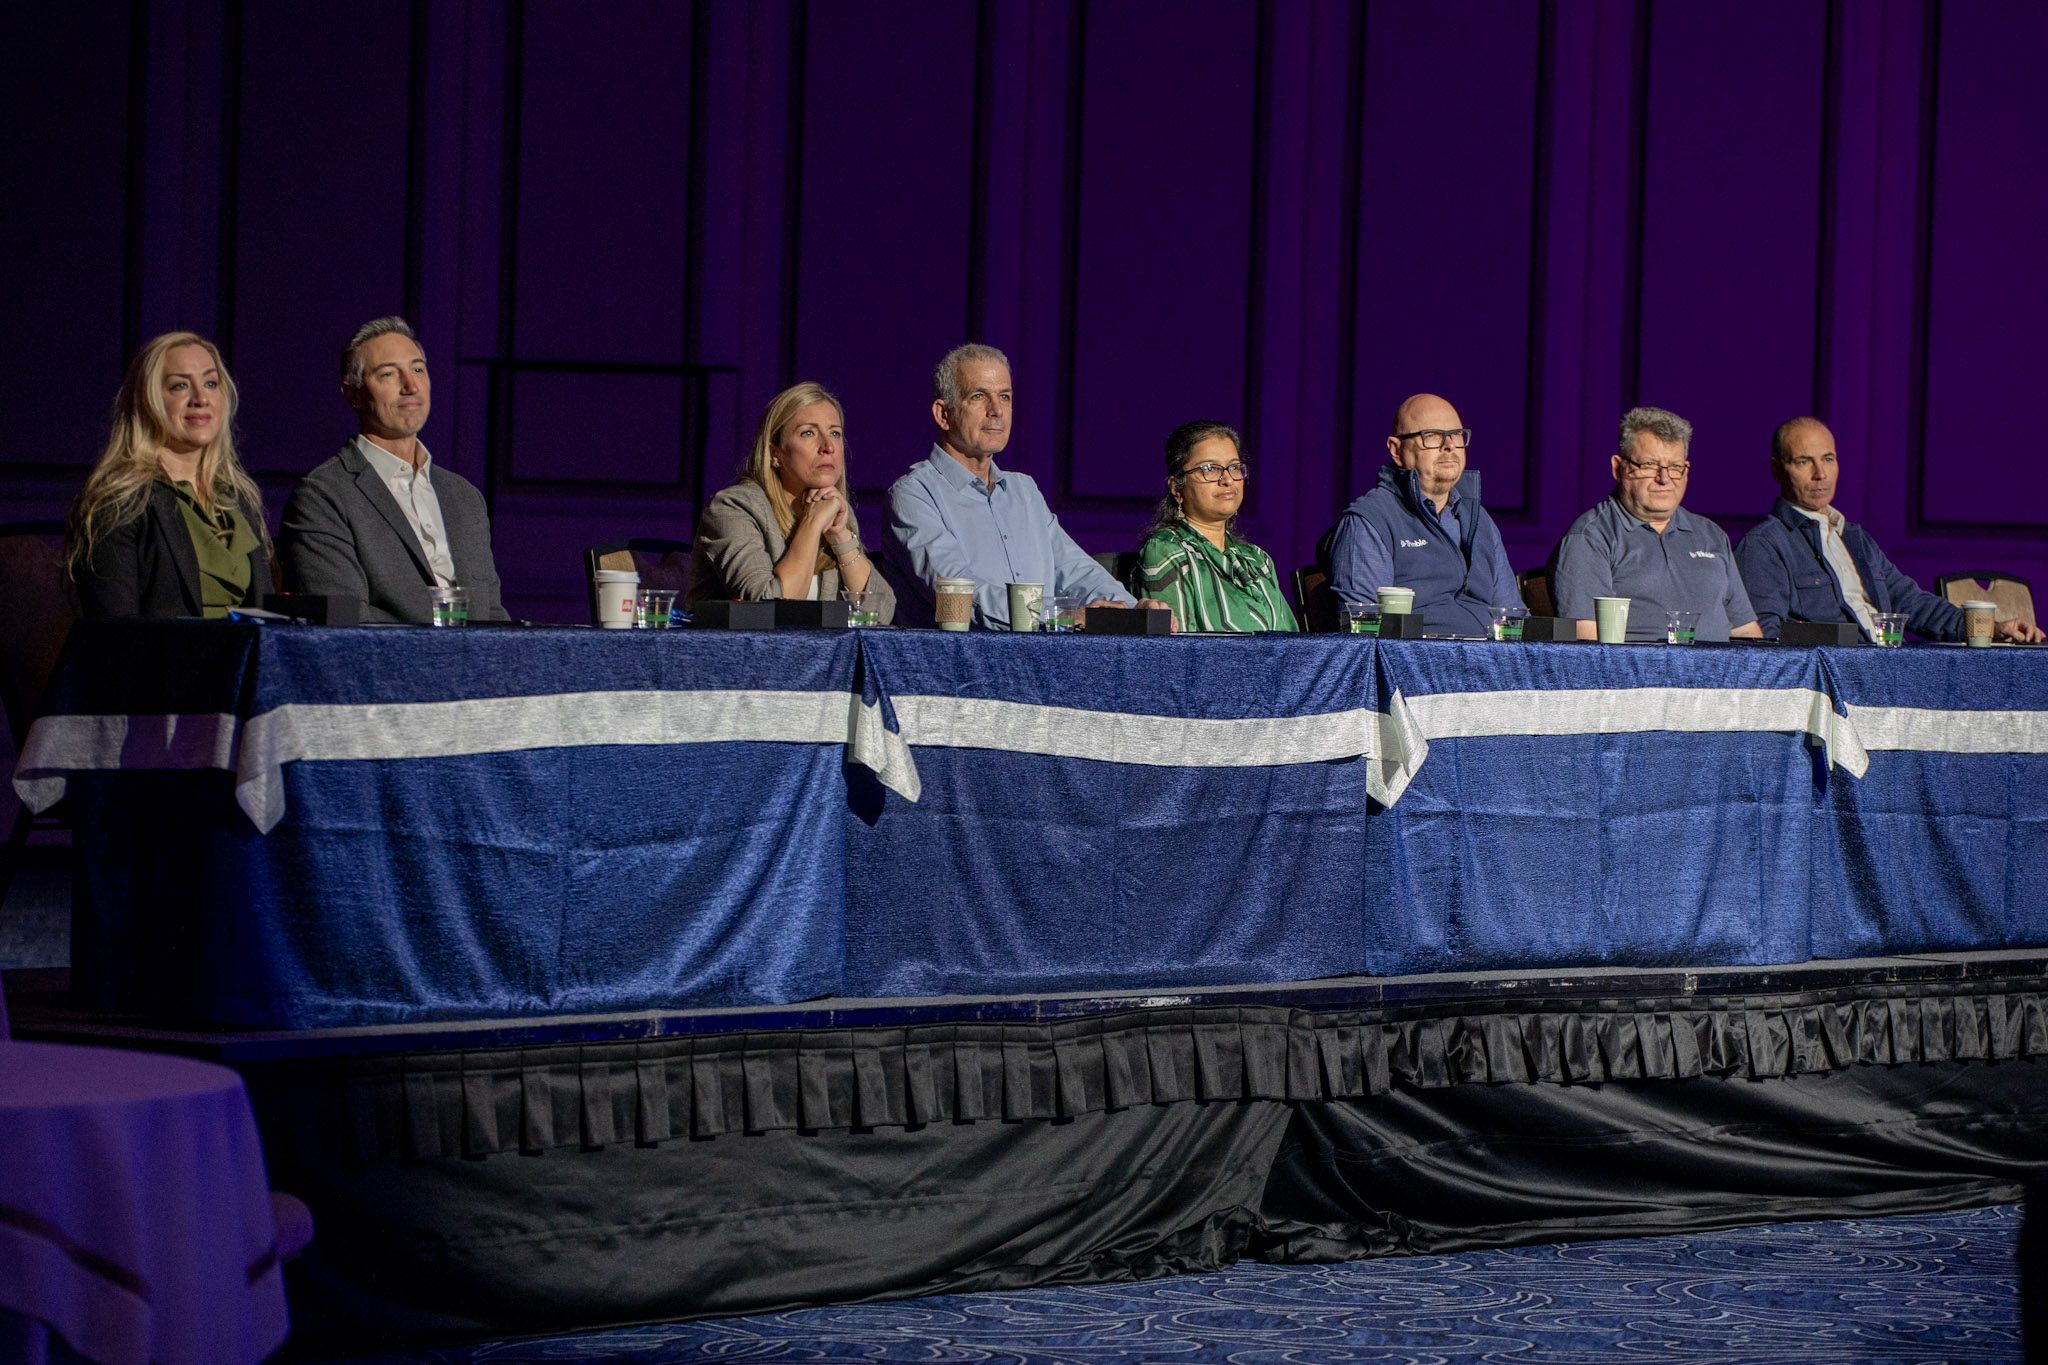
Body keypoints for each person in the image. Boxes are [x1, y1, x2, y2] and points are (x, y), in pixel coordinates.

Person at [884, 343, 1166, 628]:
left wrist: (1133, 609)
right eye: (979, 396)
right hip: (960, 666)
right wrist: (1063, 616)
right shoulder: (914, 495)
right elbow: (959, 597)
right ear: (943, 414)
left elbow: (1074, 570)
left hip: (1039, 662)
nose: (996, 410)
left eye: (1004, 396)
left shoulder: (1023, 491)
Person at [1734, 416, 2043, 643]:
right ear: (1778, 469)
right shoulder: (1765, 544)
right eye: (1804, 462)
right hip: (1838, 682)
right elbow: (1766, 641)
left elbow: (1913, 603)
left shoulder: (1855, 538)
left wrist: (1992, 627)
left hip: (1889, 669)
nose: (1821, 474)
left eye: (1828, 459)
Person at [278, 316, 505, 622]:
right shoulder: (323, 496)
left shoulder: (465, 496)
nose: (410, 386)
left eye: (418, 370)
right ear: (354, 394)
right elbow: (343, 626)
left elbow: (493, 616)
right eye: (388, 374)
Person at [68, 332, 271, 618]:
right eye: (180, 386)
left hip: (245, 661)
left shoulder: (237, 498)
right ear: (148, 400)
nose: (200, 398)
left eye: (211, 383)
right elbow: (114, 635)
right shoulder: (119, 501)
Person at [1551, 406, 1763, 642]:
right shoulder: (1591, 538)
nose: (1664, 479)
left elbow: (1745, 631)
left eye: (1674, 468)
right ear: (1618, 468)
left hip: (1725, 676)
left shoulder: (1710, 535)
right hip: (1642, 677)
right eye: (1649, 465)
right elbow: (1587, 643)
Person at [1315, 393, 1519, 637]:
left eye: (1456, 434)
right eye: (1431, 436)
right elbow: (1364, 634)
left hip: (1493, 665)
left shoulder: (1479, 519)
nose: (1450, 446)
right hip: (1419, 668)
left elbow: (1513, 617)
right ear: (1396, 449)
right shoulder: (1369, 521)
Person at [689, 382, 895, 621]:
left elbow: (881, 615)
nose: (828, 447)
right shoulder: (732, 508)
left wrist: (841, 537)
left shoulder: (835, 512)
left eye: (835, 433)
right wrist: (812, 524)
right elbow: (769, 610)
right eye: (808, 432)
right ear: (775, 454)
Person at [1137, 421, 1295, 632]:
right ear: (1177, 488)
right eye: (1209, 469)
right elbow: (1175, 653)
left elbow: (1295, 644)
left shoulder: (1257, 559)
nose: (1228, 479)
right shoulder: (1166, 551)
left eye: (1234, 467)